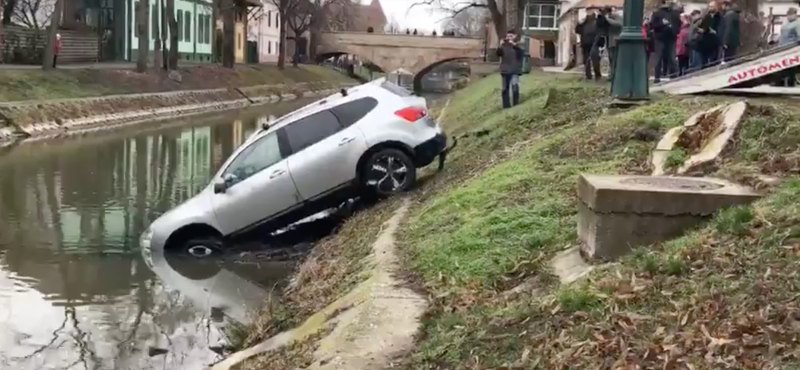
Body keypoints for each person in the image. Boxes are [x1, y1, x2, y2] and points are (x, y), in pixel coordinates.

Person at [650, 0, 679, 82]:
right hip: (660, 38)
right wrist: (663, 24)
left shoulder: (674, 13)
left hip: (671, 38)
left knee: (672, 58)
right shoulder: (657, 13)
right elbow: (653, 25)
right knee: (658, 58)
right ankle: (657, 77)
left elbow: (678, 24)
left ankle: (674, 77)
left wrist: (674, 30)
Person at [495, 29, 524, 108]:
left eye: (511, 36)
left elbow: (521, 54)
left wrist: (514, 45)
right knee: (504, 89)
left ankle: (515, 104)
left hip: (514, 70)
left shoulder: (518, 46)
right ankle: (506, 106)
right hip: (505, 70)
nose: (509, 38)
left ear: (514, 36)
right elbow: (498, 54)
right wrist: (500, 45)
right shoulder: (504, 45)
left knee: (515, 87)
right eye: (508, 36)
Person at [597, 6, 622, 81]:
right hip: (609, 41)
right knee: (611, 59)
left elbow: (617, 25)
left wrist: (606, 18)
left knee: (615, 59)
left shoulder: (618, 17)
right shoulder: (607, 19)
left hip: (616, 41)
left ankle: (615, 75)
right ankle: (612, 74)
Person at [575, 10, 601, 80]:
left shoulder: (593, 22)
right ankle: (593, 75)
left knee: (591, 60)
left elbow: (577, 30)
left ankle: (593, 75)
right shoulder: (585, 23)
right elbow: (577, 30)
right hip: (589, 43)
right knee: (591, 60)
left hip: (590, 43)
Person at [697, 1, 723, 68]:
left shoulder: (719, 17)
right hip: (705, 41)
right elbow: (701, 26)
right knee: (704, 61)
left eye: (712, 6)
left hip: (714, 41)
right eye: (709, 6)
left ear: (716, 7)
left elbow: (721, 27)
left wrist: (716, 32)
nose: (710, 8)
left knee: (713, 60)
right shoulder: (706, 16)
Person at [779, 7, 800, 86]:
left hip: (791, 48)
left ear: (795, 15)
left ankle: (791, 82)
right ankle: (780, 81)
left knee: (790, 66)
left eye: (791, 15)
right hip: (782, 47)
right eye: (788, 15)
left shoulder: (797, 24)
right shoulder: (785, 23)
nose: (789, 17)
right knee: (781, 66)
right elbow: (782, 34)